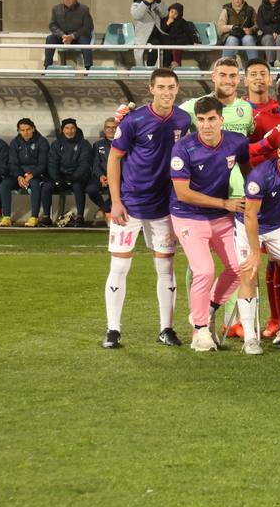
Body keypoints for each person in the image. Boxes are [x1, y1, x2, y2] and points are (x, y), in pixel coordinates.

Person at [103, 69, 190, 349]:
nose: (167, 92)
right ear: (151, 89)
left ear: (177, 89)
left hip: (164, 207)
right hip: (129, 206)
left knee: (165, 267)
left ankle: (166, 329)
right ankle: (113, 330)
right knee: (119, 266)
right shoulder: (133, 120)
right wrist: (115, 201)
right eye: (161, 87)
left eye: (171, 87)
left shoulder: (183, 119)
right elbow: (114, 160)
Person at [170, 98, 251, 352]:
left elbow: (248, 171)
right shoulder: (183, 148)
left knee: (238, 269)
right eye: (201, 120)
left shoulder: (237, 143)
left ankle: (205, 311)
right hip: (187, 215)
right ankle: (200, 330)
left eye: (212, 119)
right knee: (204, 270)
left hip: (220, 216)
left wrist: (252, 198)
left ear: (221, 120)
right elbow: (182, 193)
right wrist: (225, 203)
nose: (206, 125)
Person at [7, 118, 51, 227]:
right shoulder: (15, 142)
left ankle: (34, 217)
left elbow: (43, 164)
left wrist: (31, 175)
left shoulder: (42, 141)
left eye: (28, 129)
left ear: (33, 129)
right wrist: (19, 176)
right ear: (18, 131)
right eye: (22, 130)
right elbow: (12, 163)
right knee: (4, 184)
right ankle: (6, 217)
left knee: (35, 184)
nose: (25, 132)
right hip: (19, 175)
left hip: (36, 175)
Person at [44, 0, 94, 69]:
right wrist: (62, 35)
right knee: (50, 38)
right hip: (63, 38)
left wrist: (73, 36)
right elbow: (52, 25)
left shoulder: (84, 9)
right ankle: (47, 67)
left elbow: (88, 27)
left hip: (78, 38)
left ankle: (89, 68)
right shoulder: (56, 9)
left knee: (84, 39)